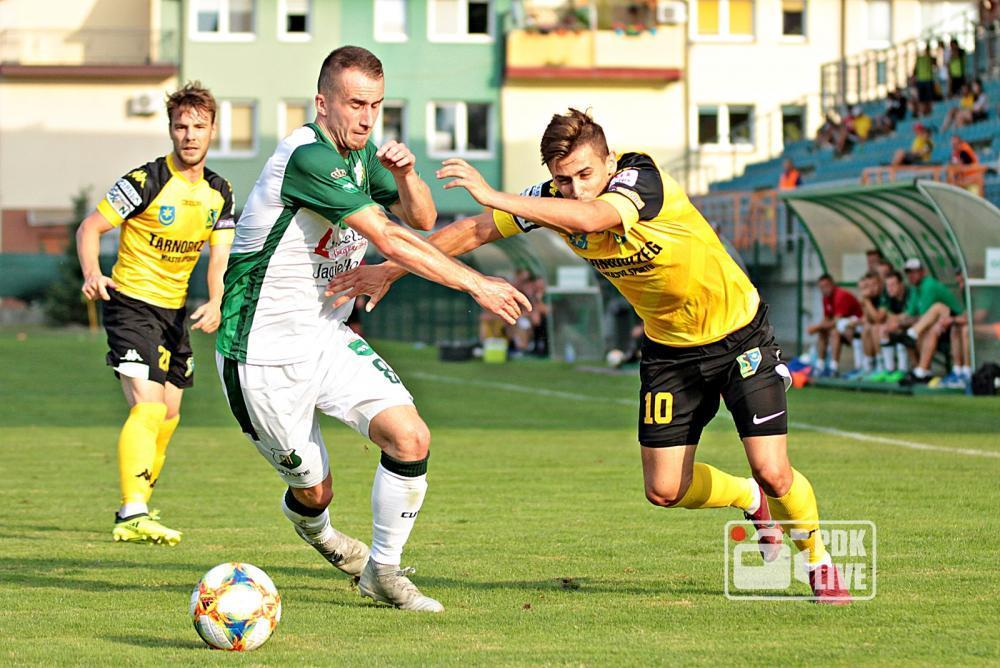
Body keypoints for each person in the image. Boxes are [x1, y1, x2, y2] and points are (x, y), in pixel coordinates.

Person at [329, 108, 853, 603]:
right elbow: (475, 230)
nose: (575, 188)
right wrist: (392, 268)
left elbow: (591, 217)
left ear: (608, 161)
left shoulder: (641, 179)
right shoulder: (552, 200)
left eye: (585, 174)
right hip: (670, 352)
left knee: (774, 471)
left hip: (739, 336)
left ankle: (818, 562)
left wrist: (495, 194)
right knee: (664, 490)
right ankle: (747, 498)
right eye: (563, 180)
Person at [214, 46, 530, 613]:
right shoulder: (308, 158)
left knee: (410, 438)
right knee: (315, 491)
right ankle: (322, 534)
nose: (366, 118)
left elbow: (422, 218)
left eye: (376, 106)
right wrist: (475, 284)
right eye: (355, 104)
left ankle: (383, 571)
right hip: (260, 354)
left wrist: (406, 175)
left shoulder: (361, 155)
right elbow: (389, 238)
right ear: (323, 103)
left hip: (327, 337)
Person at [76, 83, 235, 545]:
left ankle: (139, 502)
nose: (190, 135)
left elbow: (219, 259)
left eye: (199, 126)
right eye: (181, 126)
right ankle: (133, 511)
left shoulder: (219, 192)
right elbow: (91, 227)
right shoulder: (144, 181)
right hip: (131, 304)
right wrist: (93, 272)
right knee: (147, 407)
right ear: (170, 129)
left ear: (212, 130)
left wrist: (217, 301)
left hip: (174, 314)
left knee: (169, 415)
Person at [898, 258, 964, 385]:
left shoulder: (929, 285)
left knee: (934, 315)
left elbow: (924, 317)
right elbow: (909, 314)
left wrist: (908, 322)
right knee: (924, 330)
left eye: (914, 272)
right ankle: (921, 370)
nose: (911, 275)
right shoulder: (915, 288)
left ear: (922, 272)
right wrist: (895, 322)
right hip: (942, 323)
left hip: (954, 320)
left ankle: (912, 337)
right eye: (908, 272)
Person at [807, 274, 863, 378]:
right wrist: (819, 327)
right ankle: (820, 366)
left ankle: (834, 368)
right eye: (821, 287)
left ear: (832, 284)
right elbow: (827, 319)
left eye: (826, 286)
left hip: (857, 328)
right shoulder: (825, 298)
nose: (824, 289)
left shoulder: (840, 296)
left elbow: (836, 321)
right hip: (844, 328)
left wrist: (816, 327)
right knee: (823, 331)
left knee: (834, 332)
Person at [913, 43, 936, 117]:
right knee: (922, 99)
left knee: (929, 98)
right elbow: (915, 70)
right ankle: (923, 112)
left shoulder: (930, 58)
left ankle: (930, 112)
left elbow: (935, 65)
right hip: (922, 81)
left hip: (928, 80)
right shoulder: (919, 59)